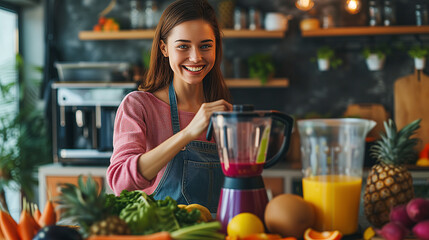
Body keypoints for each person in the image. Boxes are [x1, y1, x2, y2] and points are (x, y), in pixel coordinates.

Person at [107, 0, 232, 213]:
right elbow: (120, 183)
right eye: (183, 46)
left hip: (213, 232)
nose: (196, 57)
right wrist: (188, 133)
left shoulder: (222, 111)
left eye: (205, 46)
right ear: (164, 48)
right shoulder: (138, 105)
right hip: (161, 232)